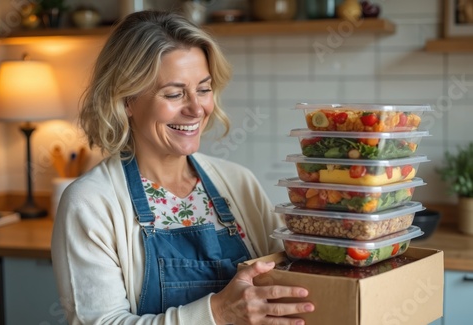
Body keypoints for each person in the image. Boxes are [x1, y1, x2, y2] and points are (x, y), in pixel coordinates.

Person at [51, 10, 315, 325]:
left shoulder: (239, 183)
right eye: (175, 94)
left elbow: (283, 289)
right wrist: (218, 313)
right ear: (126, 100)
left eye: (203, 89)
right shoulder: (90, 203)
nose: (196, 108)